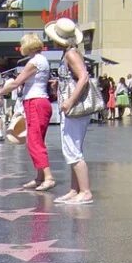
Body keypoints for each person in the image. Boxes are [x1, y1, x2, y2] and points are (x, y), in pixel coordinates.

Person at [0, 32, 55, 191]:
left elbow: (17, 82)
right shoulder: (43, 60)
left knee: (34, 141)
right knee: (37, 139)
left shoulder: (34, 62)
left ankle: (47, 176)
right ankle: (40, 176)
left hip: (35, 102)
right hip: (40, 101)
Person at [45, 17, 93, 205]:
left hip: (74, 108)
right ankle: (76, 189)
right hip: (71, 108)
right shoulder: (69, 53)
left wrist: (70, 101)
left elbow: (83, 77)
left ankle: (85, 191)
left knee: (73, 149)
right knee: (72, 148)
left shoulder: (71, 54)